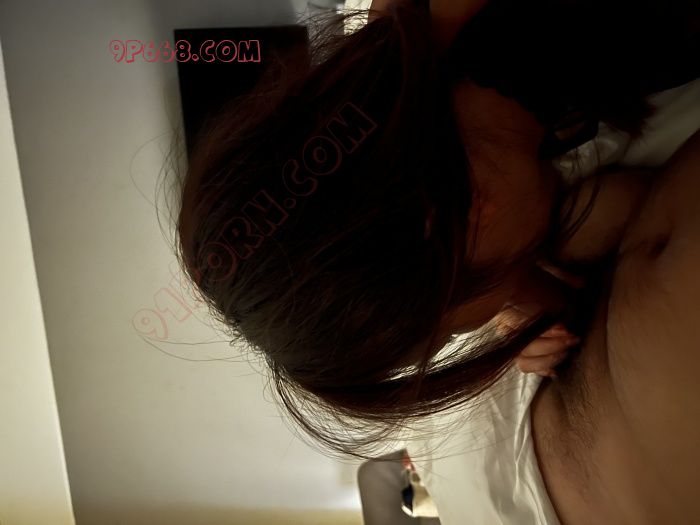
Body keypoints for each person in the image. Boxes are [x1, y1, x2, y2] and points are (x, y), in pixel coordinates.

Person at [173, 0, 699, 464]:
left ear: (464, 216)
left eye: (448, 331)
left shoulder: (633, 27)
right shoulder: (438, 77)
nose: (487, 319)